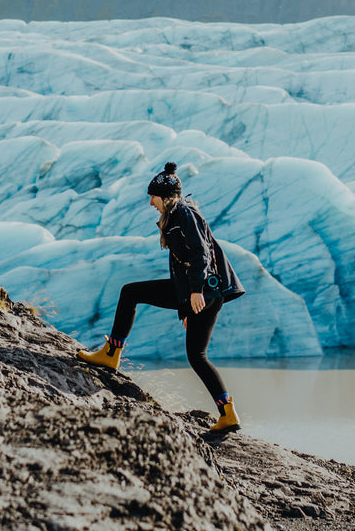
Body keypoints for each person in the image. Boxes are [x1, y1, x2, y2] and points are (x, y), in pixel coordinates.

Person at [76, 162, 246, 435]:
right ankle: (228, 413)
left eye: (153, 196)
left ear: (166, 197)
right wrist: (186, 306)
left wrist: (195, 292)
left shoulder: (184, 214)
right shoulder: (176, 216)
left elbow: (201, 254)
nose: (151, 202)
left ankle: (111, 353)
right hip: (202, 292)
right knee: (197, 356)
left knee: (130, 292)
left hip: (204, 291)